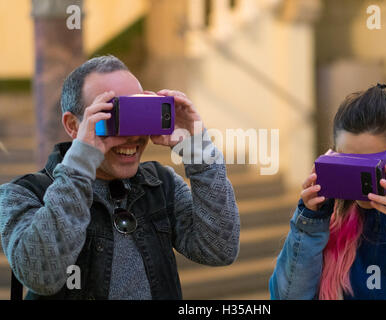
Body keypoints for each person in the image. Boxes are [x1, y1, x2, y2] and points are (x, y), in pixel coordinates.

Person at [0, 55, 240, 300]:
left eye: (137, 114)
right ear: (73, 125)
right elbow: (42, 275)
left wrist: (198, 150)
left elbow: (218, 250)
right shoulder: (22, 194)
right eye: (111, 116)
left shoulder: (160, 184)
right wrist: (81, 163)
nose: (132, 135)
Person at [269, 84, 386, 300]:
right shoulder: (328, 212)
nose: (362, 180)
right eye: (348, 163)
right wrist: (309, 223)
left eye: (371, 166)